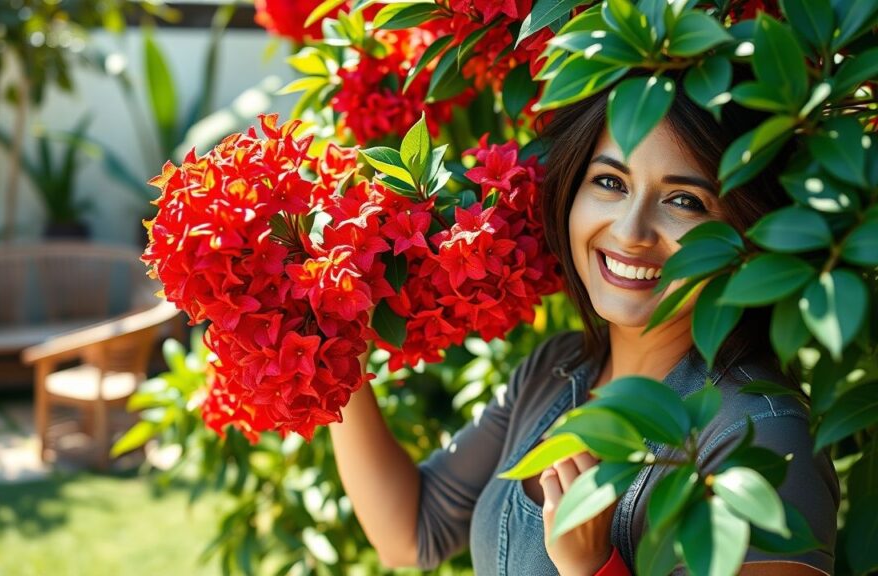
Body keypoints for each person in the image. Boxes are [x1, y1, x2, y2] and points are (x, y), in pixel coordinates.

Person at [328, 78, 839, 576]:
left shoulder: (764, 442)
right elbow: (410, 532)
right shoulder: (556, 369)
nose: (630, 232)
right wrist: (335, 349)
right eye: (611, 182)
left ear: (748, 231)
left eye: (685, 200)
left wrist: (593, 566)